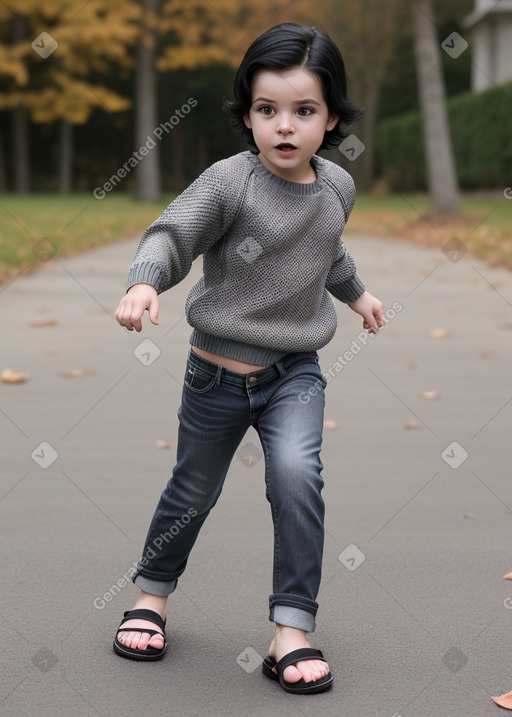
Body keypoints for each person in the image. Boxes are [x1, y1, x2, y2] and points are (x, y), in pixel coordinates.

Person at [113, 21, 385, 695]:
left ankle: (291, 628)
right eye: (267, 110)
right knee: (193, 489)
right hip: (215, 374)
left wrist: (357, 294)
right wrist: (145, 279)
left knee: (297, 476)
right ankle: (151, 595)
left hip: (295, 372)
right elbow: (173, 233)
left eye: (304, 111)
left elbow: (328, 251)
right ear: (247, 114)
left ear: (331, 118)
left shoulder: (337, 189)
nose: (284, 127)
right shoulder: (229, 183)